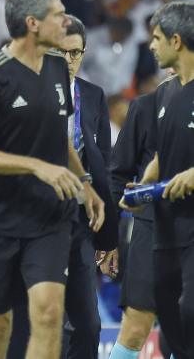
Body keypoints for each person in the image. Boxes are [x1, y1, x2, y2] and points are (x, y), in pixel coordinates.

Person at [0, 0, 105, 358]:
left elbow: (59, 138)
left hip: (49, 217)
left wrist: (84, 182)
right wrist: (36, 165)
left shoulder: (57, 65)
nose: (66, 22)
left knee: (50, 313)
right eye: (58, 15)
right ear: (33, 24)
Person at [120, 2, 194, 359]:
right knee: (164, 325)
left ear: (176, 41)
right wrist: (146, 180)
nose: (151, 46)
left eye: (157, 37)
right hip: (165, 228)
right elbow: (165, 152)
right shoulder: (163, 95)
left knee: (188, 314)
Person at [59, 15, 119, 359]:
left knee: (87, 325)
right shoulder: (26, 93)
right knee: (39, 318)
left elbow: (103, 167)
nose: (68, 61)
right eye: (61, 52)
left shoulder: (93, 96)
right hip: (34, 219)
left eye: (75, 53)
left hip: (80, 222)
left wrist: (107, 237)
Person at [109, 91, 159, 358]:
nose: (152, 45)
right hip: (151, 229)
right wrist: (107, 241)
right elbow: (118, 176)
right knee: (135, 329)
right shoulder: (147, 105)